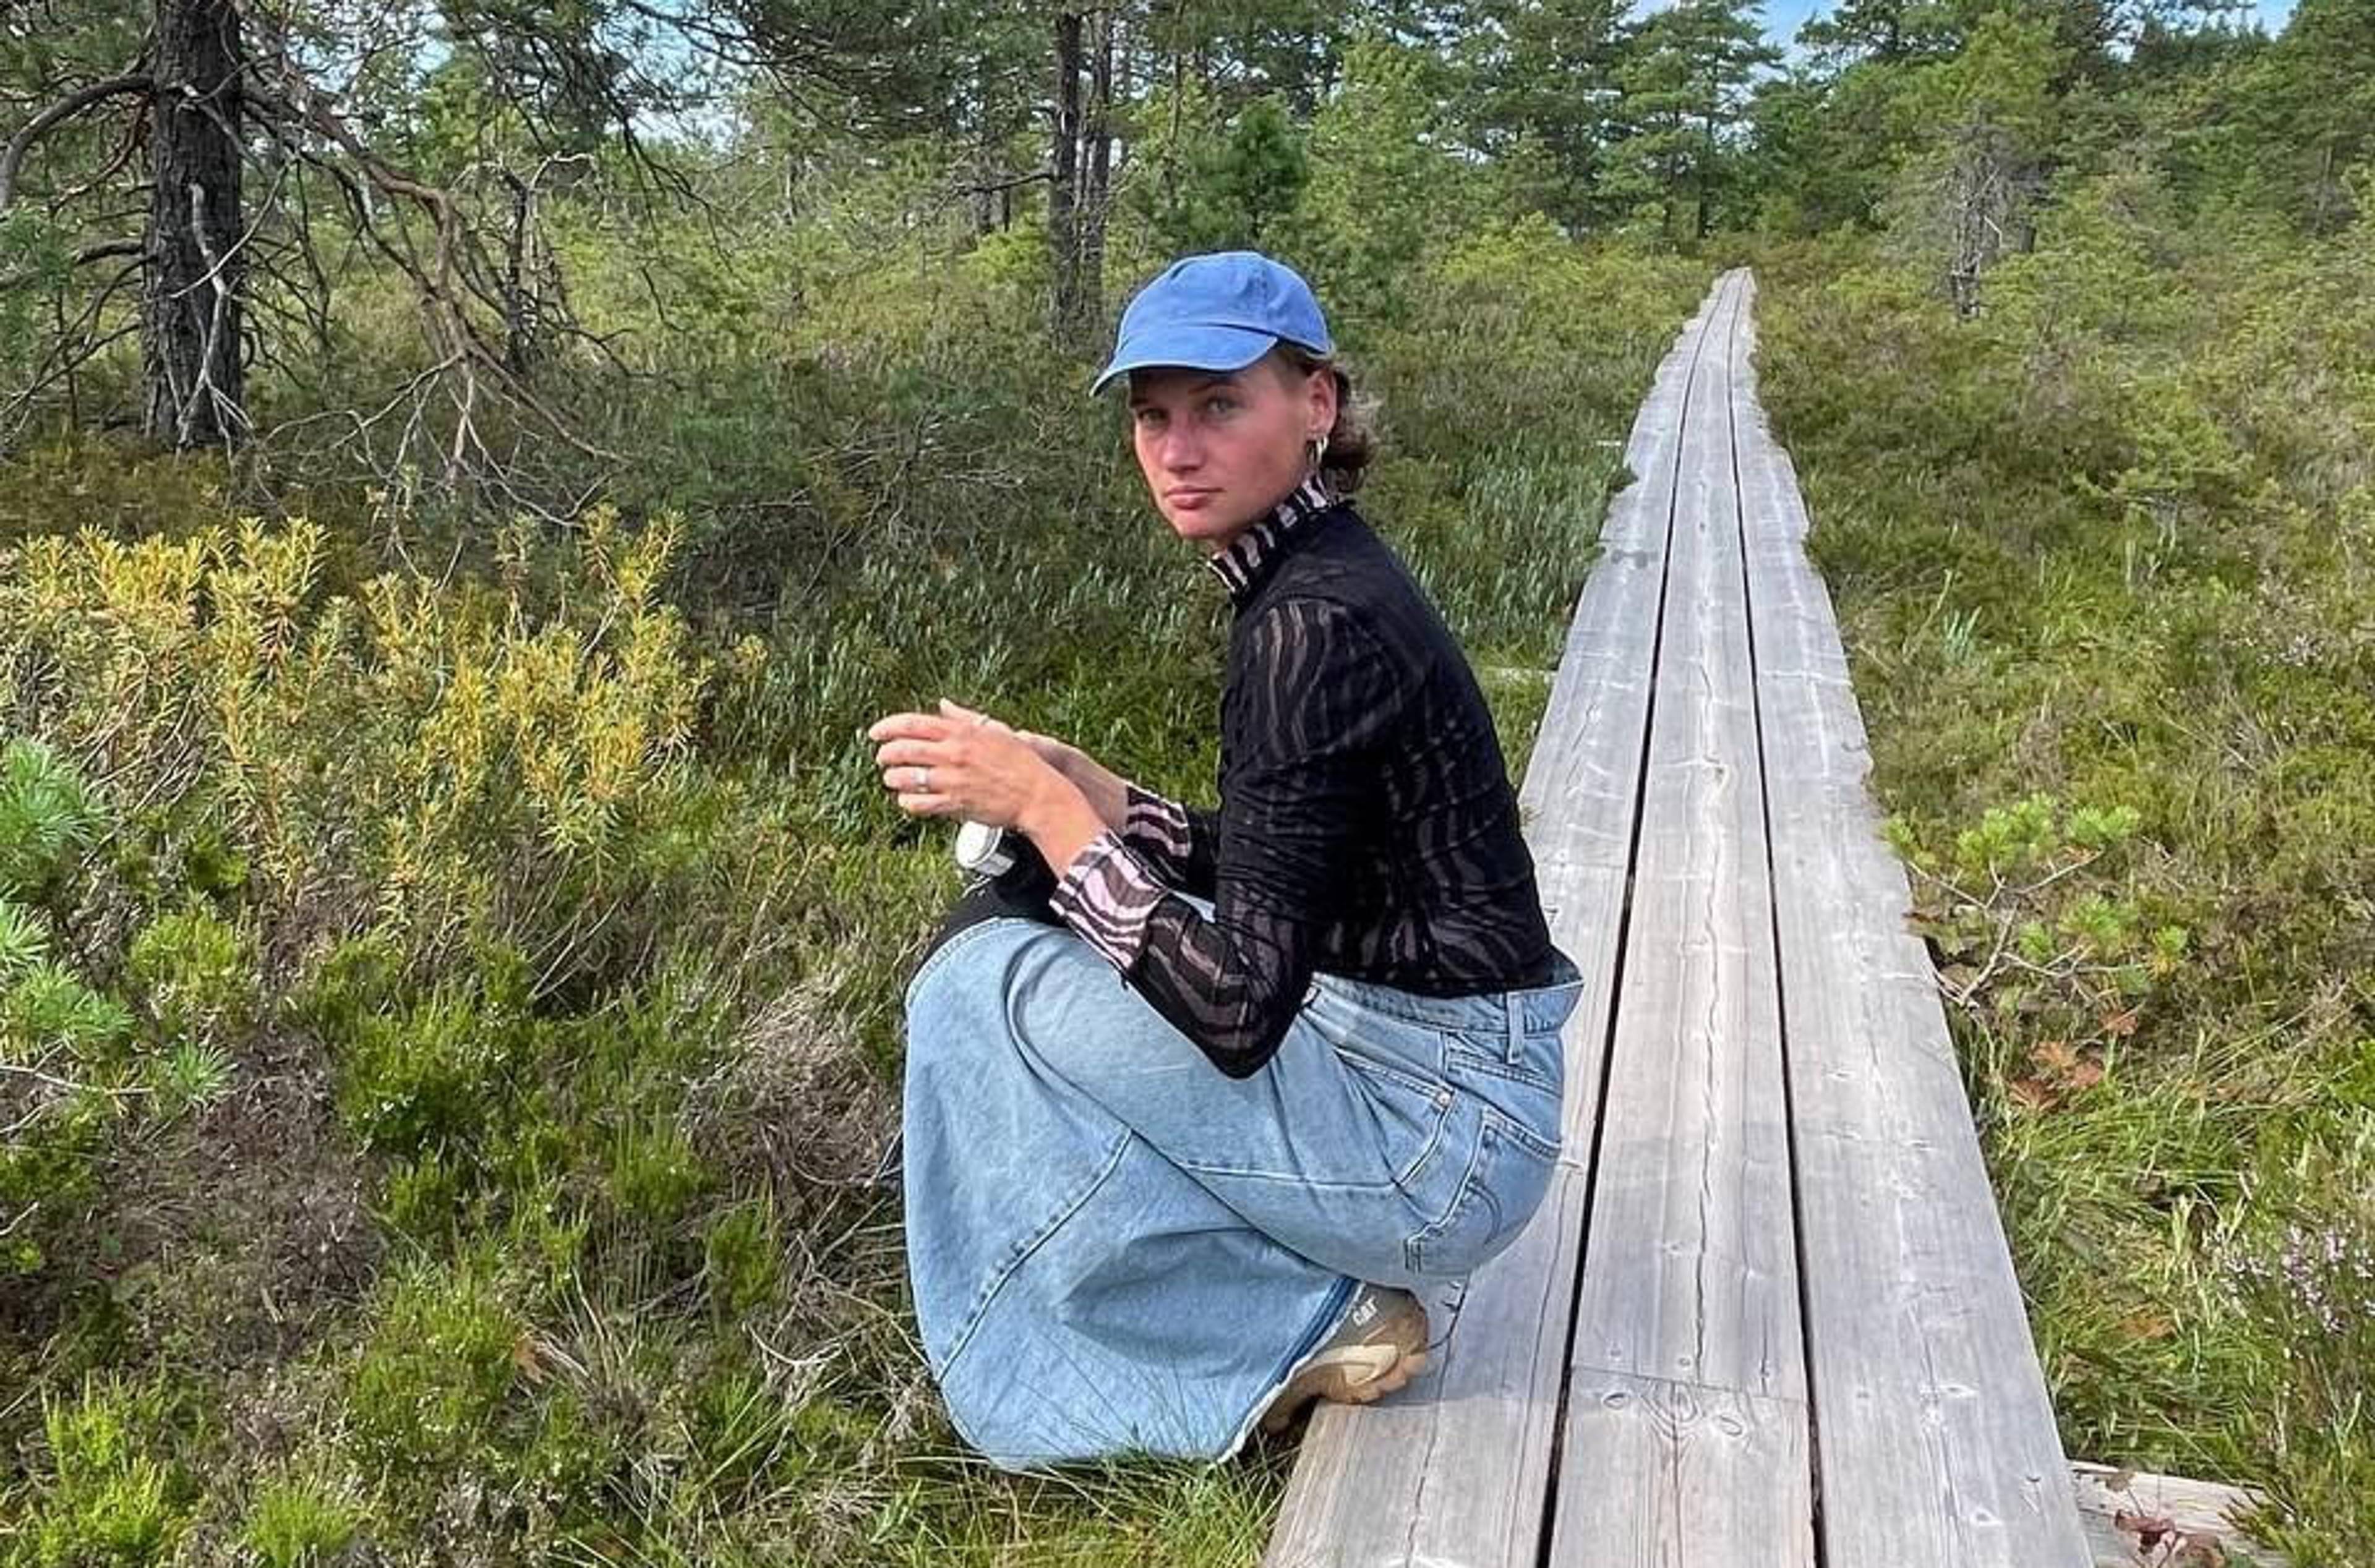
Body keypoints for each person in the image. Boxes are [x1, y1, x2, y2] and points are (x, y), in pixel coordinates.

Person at [865, 250, 1584, 1474]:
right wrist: (1111, 801)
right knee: (1027, 930)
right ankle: (1224, 1286)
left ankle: (1255, 1325)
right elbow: (1296, 878)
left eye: (1219, 405)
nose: (1177, 448)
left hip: (1439, 1142)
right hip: (1460, 1084)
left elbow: (1244, 1005)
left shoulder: (1306, 625)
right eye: (1153, 415)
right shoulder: (1323, 577)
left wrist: (1045, 807)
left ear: (1317, 404)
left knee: (983, 986)